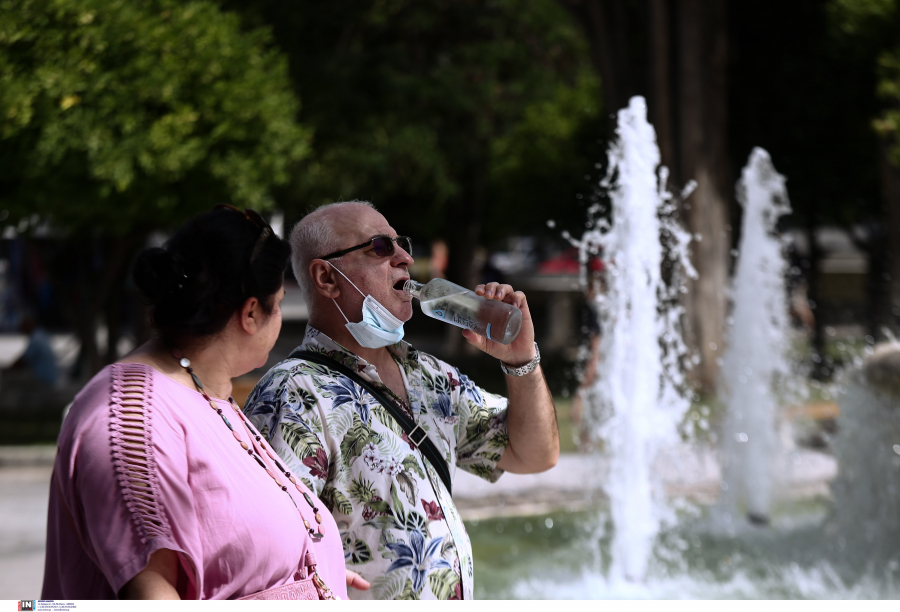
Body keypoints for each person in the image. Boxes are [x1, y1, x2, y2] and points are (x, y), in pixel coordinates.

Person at [243, 200, 559, 600]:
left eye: (401, 244)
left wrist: (522, 361)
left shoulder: (429, 376)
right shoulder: (293, 394)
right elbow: (271, 557)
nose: (406, 258)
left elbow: (534, 455)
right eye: (380, 247)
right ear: (326, 277)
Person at [42, 205, 361, 600]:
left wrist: (311, 572)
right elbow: (153, 593)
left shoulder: (204, 391)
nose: (279, 317)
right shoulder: (131, 418)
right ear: (250, 313)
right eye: (277, 303)